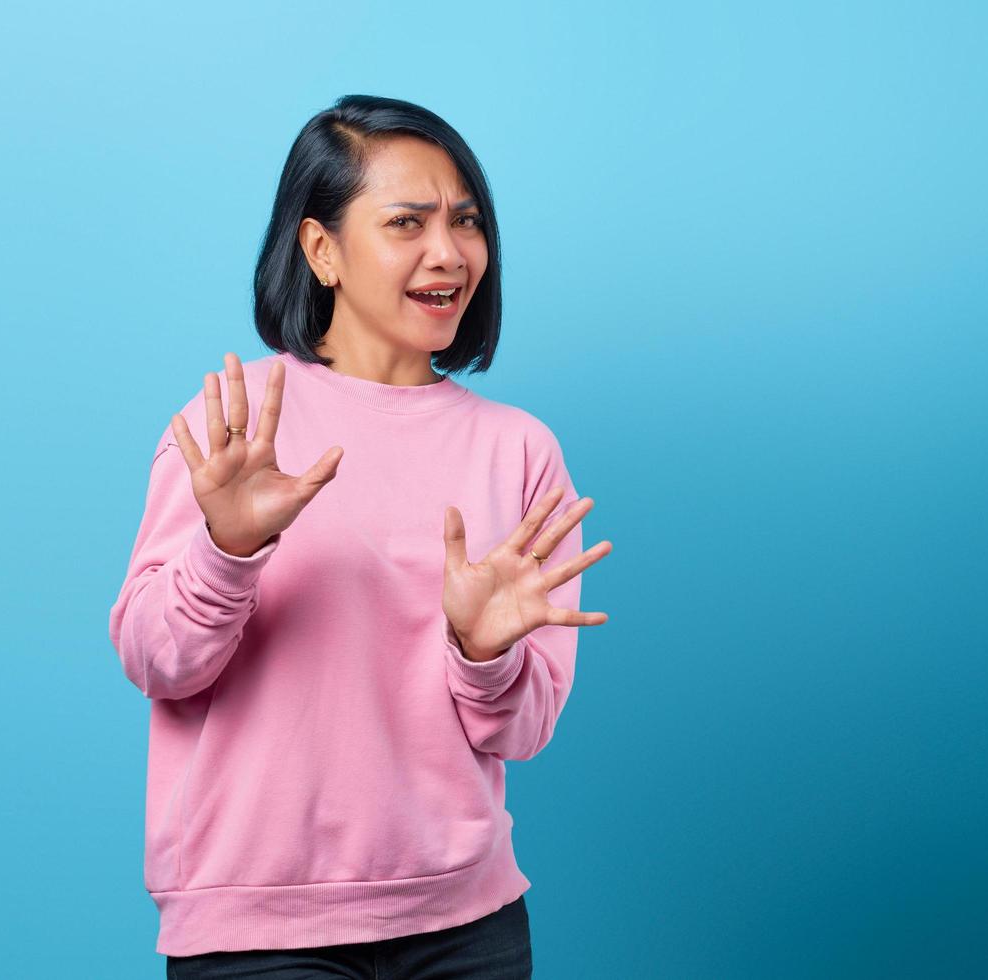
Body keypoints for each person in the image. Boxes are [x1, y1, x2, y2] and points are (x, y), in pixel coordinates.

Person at [108, 94, 612, 979]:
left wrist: (483, 652)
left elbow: (523, 730)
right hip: (257, 930)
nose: (448, 254)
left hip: (467, 922)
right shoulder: (234, 427)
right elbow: (159, 664)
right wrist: (226, 555)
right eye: (406, 223)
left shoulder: (520, 451)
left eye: (466, 222)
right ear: (322, 250)